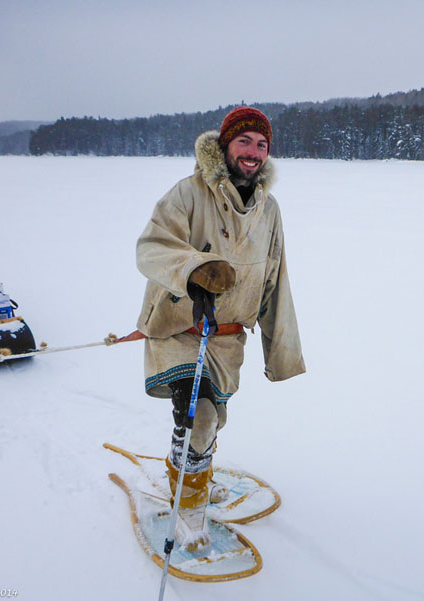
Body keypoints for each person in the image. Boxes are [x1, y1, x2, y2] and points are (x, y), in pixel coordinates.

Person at [135, 106, 305, 552]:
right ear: (225, 147)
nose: (253, 152)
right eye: (244, 142)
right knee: (199, 415)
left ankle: (192, 472)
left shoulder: (270, 210)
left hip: (229, 339)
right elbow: (151, 248)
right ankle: (187, 506)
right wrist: (195, 268)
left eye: (261, 145)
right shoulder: (188, 194)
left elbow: (275, 280)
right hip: (178, 328)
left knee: (209, 422)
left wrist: (280, 352)